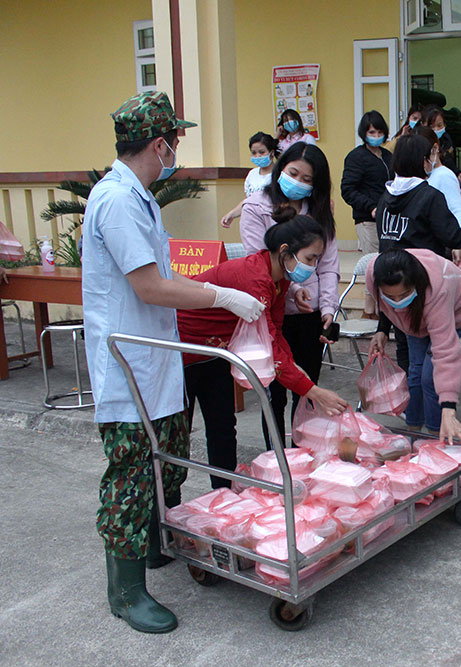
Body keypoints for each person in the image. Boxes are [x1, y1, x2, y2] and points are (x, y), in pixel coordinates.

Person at [82, 91, 264, 634]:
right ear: (159, 143)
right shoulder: (114, 200)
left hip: (155, 359)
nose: (176, 151)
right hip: (128, 363)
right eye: (176, 141)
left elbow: (161, 277)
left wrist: (213, 286)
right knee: (133, 474)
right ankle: (126, 590)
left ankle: (153, 542)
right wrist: (222, 297)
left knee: (165, 461)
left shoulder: (138, 198)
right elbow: (151, 285)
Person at [178, 216, 349, 487]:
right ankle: (168, 507)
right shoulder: (256, 279)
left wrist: (296, 369)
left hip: (217, 352)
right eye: (310, 258)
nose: (313, 267)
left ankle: (223, 493)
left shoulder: (277, 279)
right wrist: (312, 390)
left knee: (222, 426)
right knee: (177, 433)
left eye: (317, 260)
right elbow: (268, 347)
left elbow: (275, 333)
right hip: (183, 351)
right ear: (285, 251)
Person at [240, 142, 340, 449]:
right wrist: (295, 289)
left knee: (307, 388)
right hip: (272, 312)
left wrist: (327, 309)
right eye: (293, 173)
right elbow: (260, 262)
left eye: (308, 179)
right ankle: (276, 458)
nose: (298, 182)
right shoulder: (256, 207)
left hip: (309, 317)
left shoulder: (320, 212)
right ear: (280, 168)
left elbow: (329, 265)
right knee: (273, 392)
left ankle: (302, 452)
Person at [368, 248, 461, 441]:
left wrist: (449, 408)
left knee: (430, 378)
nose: (397, 302)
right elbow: (384, 305)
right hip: (414, 321)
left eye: (403, 295)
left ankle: (439, 436)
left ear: (416, 285)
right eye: (390, 297)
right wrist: (382, 330)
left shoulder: (438, 289)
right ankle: (413, 432)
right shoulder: (374, 272)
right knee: (416, 373)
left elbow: (446, 353)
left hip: (452, 310)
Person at [375, 134, 461, 258]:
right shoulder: (430, 196)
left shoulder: (385, 196)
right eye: (430, 157)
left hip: (387, 269)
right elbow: (451, 236)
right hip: (422, 269)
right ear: (424, 161)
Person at [341, 110, 394, 317]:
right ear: (364, 133)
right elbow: (348, 190)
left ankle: (375, 309)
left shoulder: (388, 155)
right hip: (367, 219)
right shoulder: (356, 157)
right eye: (372, 131)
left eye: (380, 131)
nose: (376, 135)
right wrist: (370, 207)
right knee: (374, 264)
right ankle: (370, 309)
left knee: (385, 264)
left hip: (388, 219)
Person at [414, 125, 461, 229]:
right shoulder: (425, 174)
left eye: (423, 156)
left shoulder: (444, 176)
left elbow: (458, 213)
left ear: (434, 149)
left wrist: (456, 239)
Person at [220, 132, 278, 228]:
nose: (257, 156)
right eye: (254, 153)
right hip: (252, 223)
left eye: (262, 152)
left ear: (272, 152)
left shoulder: (280, 174)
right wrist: (232, 213)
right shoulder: (252, 174)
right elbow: (249, 201)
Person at [421, 105, 461, 188]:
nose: (436, 129)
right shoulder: (418, 142)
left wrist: (458, 173)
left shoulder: (446, 140)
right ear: (423, 125)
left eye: (439, 125)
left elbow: (449, 160)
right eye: (431, 127)